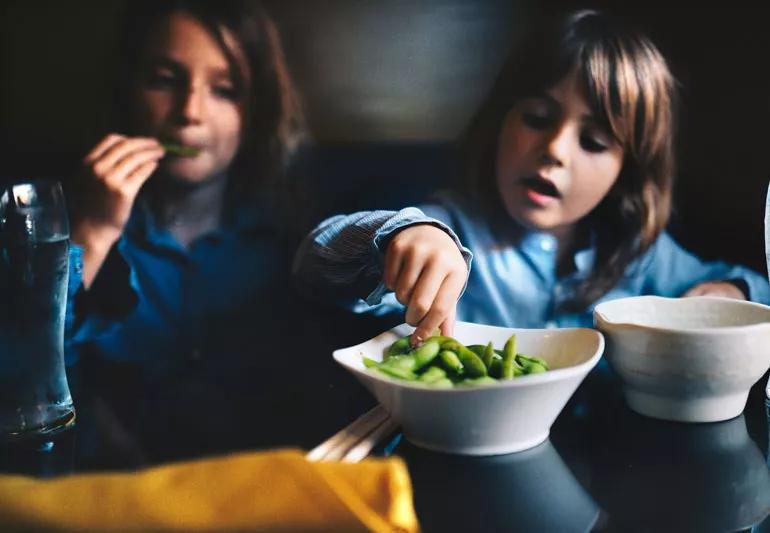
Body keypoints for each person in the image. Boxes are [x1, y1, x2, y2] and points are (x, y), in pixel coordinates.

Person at [293, 10, 770, 345]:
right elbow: (316, 262)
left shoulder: (641, 256)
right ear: (500, 121)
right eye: (539, 118)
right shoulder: (454, 229)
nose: (555, 150)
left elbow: (752, 287)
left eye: (595, 142)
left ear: (628, 172)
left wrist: (730, 294)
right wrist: (402, 236)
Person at [64, 0, 309, 458]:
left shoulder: (292, 240)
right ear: (128, 93)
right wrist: (93, 233)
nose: (190, 111)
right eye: (164, 81)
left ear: (255, 111)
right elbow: (29, 375)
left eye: (225, 89)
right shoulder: (71, 225)